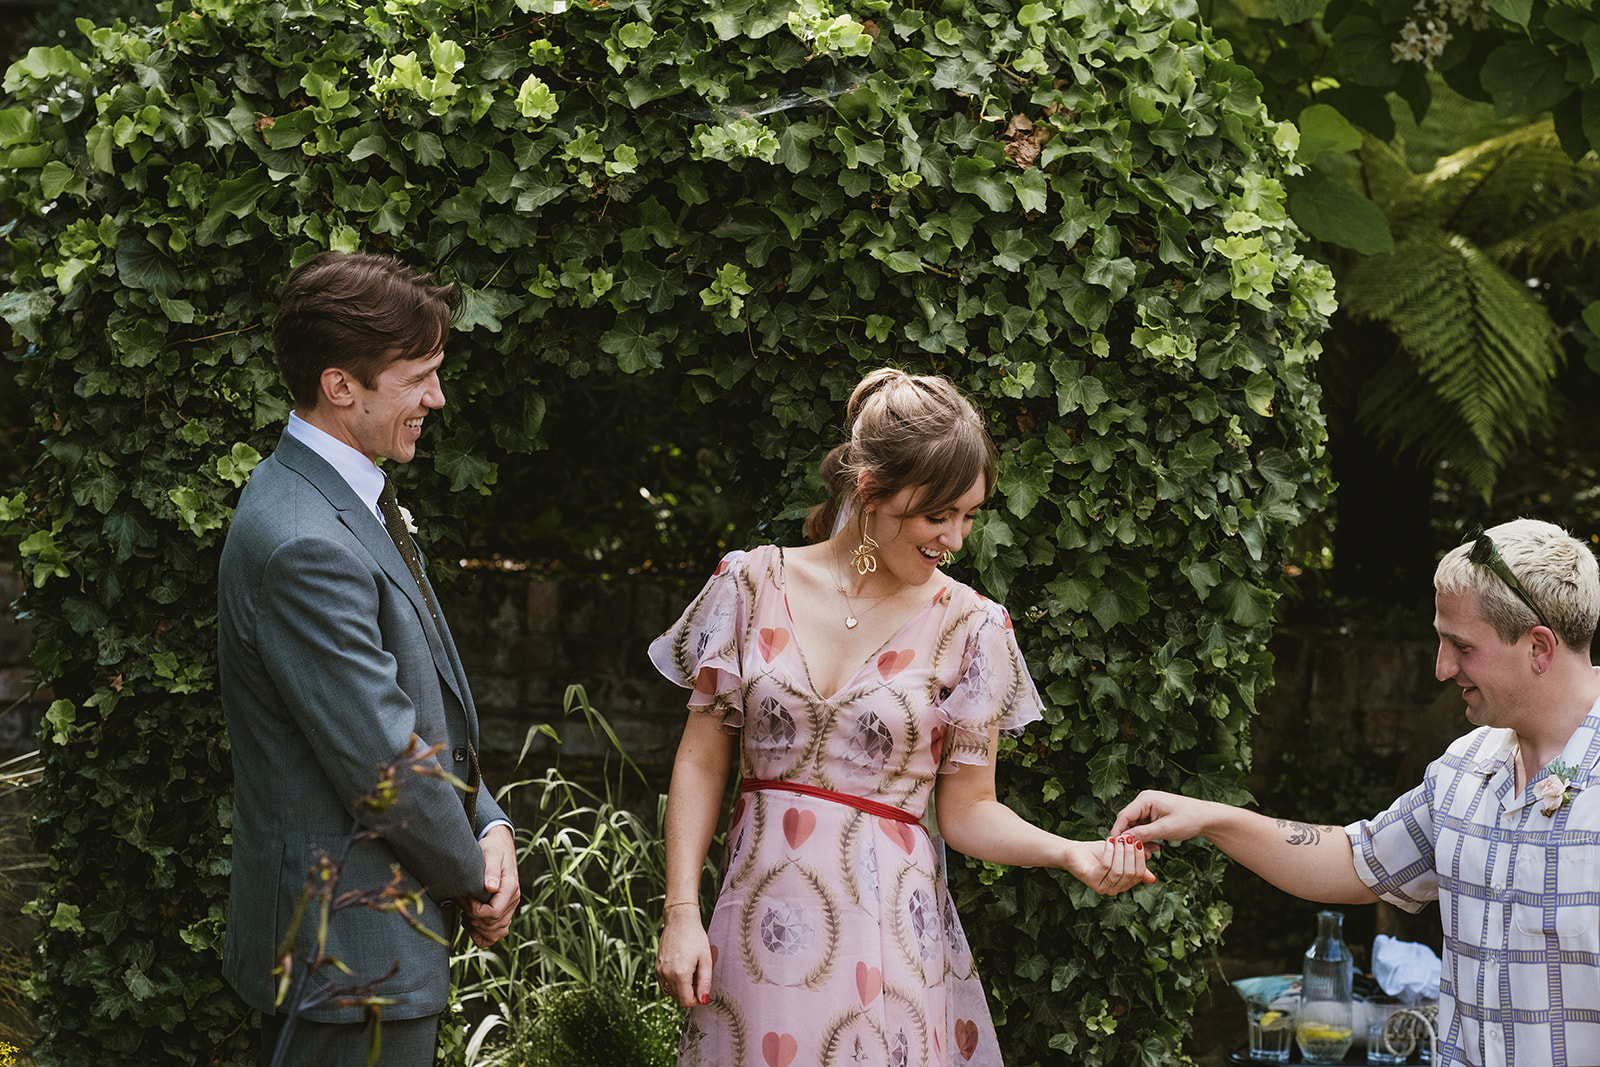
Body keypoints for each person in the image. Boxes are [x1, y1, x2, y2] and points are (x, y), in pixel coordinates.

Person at [650, 368, 1151, 1067]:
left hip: (888, 938)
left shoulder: (973, 628)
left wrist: (1068, 851)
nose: (955, 538)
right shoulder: (749, 583)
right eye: (937, 515)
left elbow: (970, 811)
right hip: (757, 927)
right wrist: (681, 912)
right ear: (869, 490)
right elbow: (702, 757)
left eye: (969, 515)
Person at [1113, 517, 1600, 1067]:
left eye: (1462, 646)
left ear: (1538, 647)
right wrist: (1208, 818)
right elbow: (1354, 861)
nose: (1442, 668)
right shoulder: (1467, 766)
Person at [218, 251, 520, 1066]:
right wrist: (477, 873)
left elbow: (419, 706)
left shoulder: (337, 498)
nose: (437, 397)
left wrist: (488, 820)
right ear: (340, 385)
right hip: (346, 962)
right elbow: (383, 760)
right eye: (417, 377)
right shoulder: (303, 540)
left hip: (366, 954)